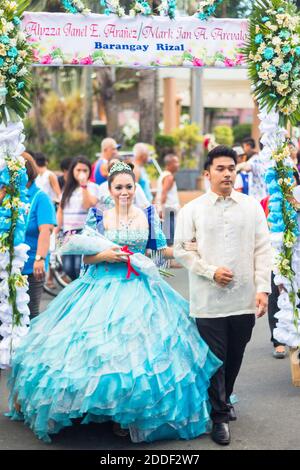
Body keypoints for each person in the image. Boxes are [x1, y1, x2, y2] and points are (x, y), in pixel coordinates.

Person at [7, 161, 222, 444]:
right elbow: (84, 256)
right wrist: (104, 256)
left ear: (135, 187)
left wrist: (193, 253)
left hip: (141, 289)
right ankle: (97, 409)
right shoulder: (98, 215)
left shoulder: (147, 214)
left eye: (129, 187)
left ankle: (127, 415)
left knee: (136, 354)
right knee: (97, 351)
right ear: (109, 189)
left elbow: (159, 250)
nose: (124, 192)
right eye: (119, 187)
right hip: (100, 287)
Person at [174, 145, 272, 446]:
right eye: (220, 168)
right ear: (207, 173)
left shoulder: (251, 206)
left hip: (243, 298)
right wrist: (209, 270)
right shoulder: (192, 210)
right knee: (215, 359)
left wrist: (262, 289)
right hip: (208, 300)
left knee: (235, 355)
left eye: (231, 168)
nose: (227, 173)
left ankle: (224, 399)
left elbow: (262, 249)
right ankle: (218, 417)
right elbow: (181, 250)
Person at [21, 152, 56, 318]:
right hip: (7, 266)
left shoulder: (40, 198)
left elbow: (45, 230)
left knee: (29, 313)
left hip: (31, 267)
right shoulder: (7, 196)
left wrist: (40, 258)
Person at [56, 156, 100, 280]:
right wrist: (56, 229)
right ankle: (77, 287)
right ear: (72, 171)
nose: (81, 173)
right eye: (78, 170)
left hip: (85, 232)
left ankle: (81, 291)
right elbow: (61, 210)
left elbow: (87, 205)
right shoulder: (67, 188)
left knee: (78, 266)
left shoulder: (93, 187)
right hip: (68, 233)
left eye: (85, 170)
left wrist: (84, 186)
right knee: (67, 267)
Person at [155, 154, 180, 246]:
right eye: (176, 162)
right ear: (169, 164)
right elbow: (164, 194)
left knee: (166, 238)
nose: (178, 164)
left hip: (166, 210)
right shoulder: (169, 177)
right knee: (169, 241)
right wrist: (162, 209)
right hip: (169, 210)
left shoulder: (163, 175)